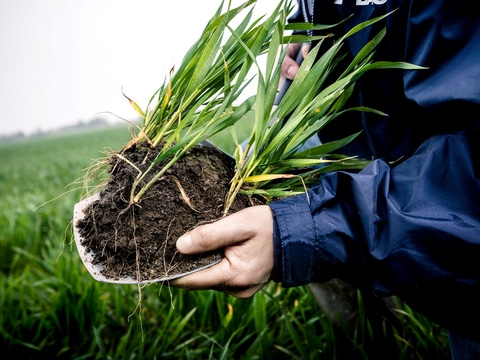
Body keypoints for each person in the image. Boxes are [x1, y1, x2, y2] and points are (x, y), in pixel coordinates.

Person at [171, 0, 480, 358]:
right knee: (264, 184)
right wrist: (306, 33)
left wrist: (303, 231)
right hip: (371, 142)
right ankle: (377, 341)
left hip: (455, 187)